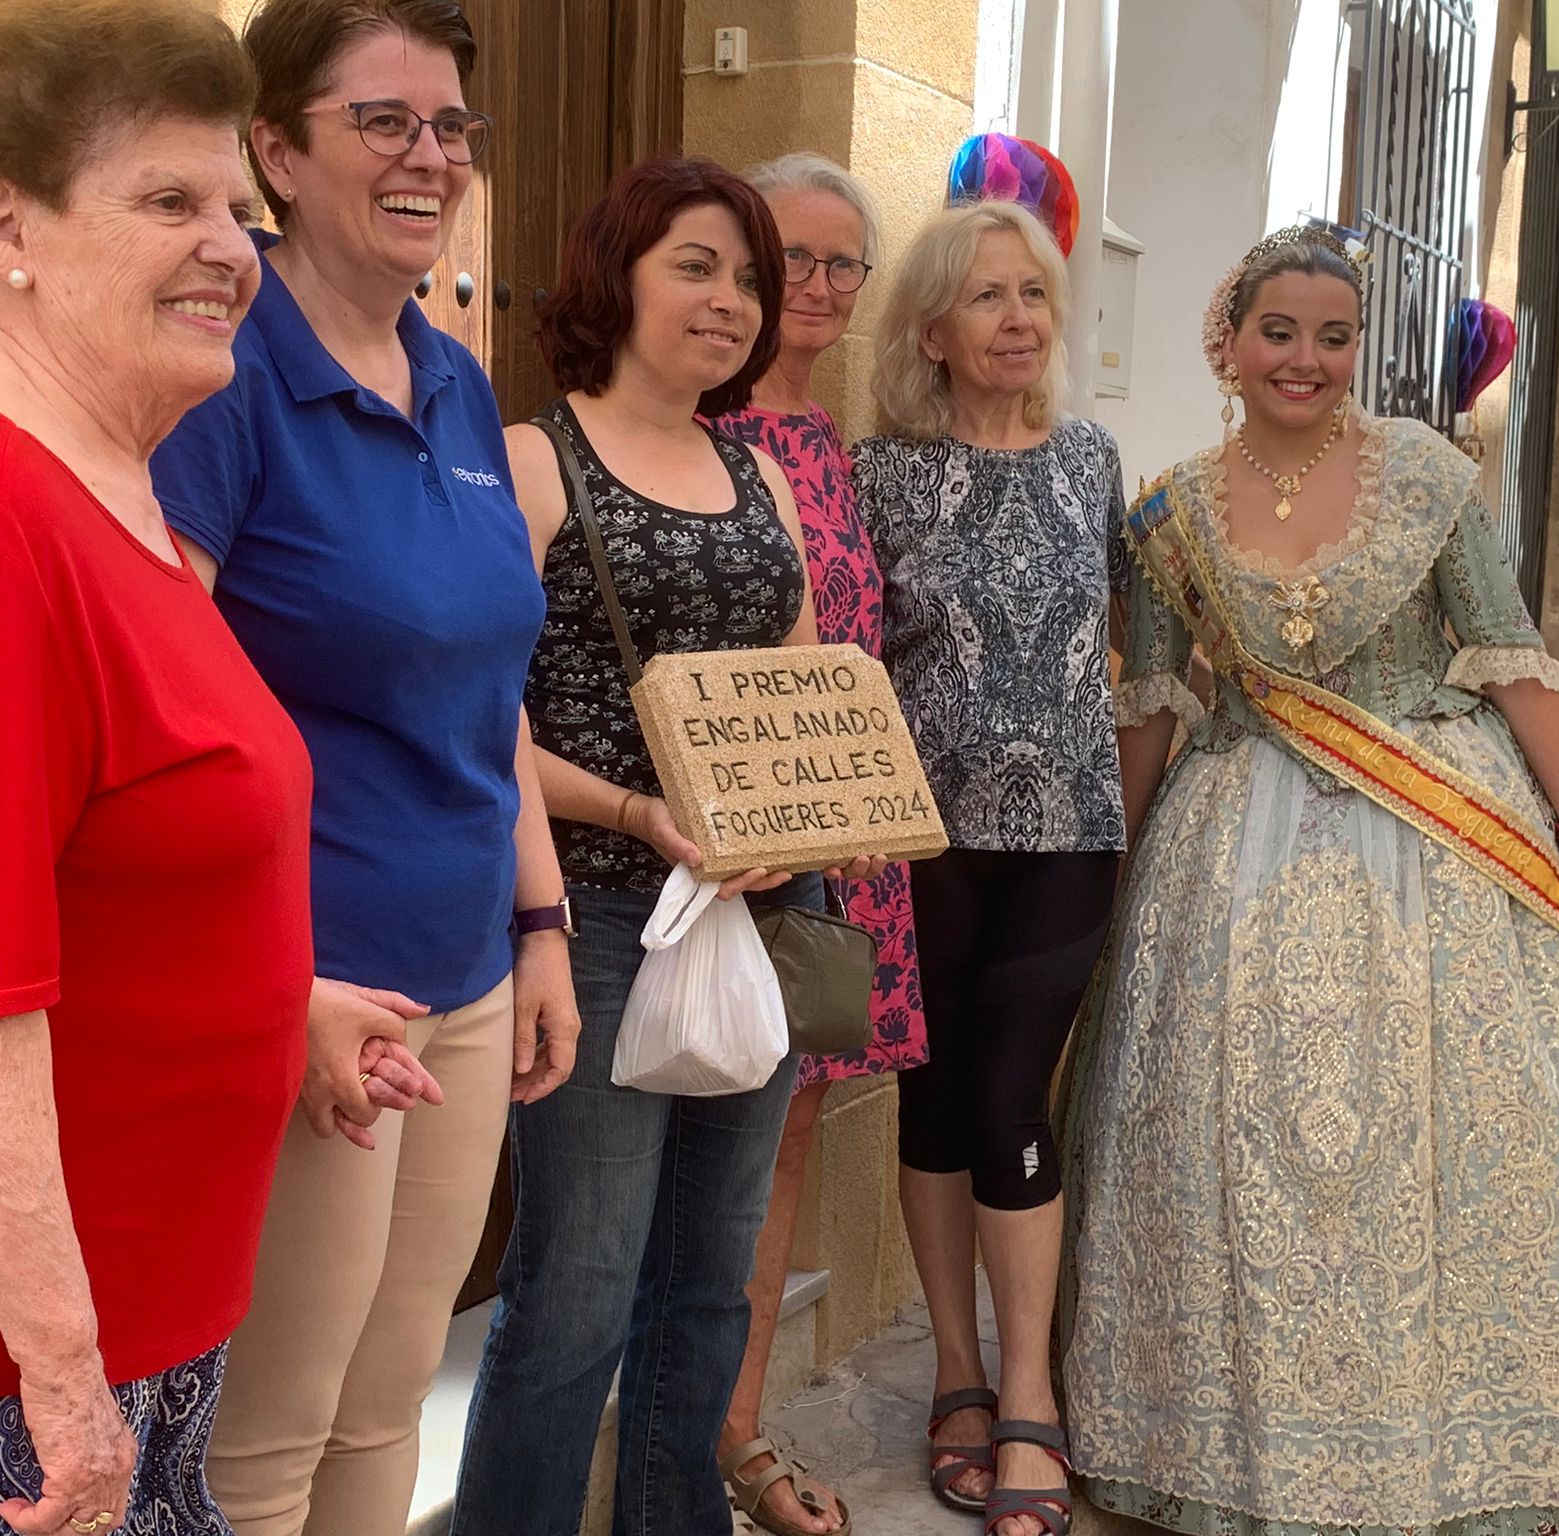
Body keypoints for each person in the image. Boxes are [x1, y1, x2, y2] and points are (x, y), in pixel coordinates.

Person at [1054, 224, 1559, 1536]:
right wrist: (1108, 885)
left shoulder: (1428, 476)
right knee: (1233, 1149)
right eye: (1278, 332)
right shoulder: (1166, 513)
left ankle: (1504, 1449)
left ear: (1358, 346)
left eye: (1333, 336)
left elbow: (1512, 659)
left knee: (1502, 1135)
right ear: (1226, 343)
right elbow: (1155, 711)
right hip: (1232, 850)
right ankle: (1230, 1450)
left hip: (1445, 839)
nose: (1305, 358)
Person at [0, 5, 314, 1534]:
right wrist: (67, 1381)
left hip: (117, 1307)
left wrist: (295, 1005)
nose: (232, 247)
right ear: (6, 223)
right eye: (171, 203)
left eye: (240, 208)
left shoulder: (108, 479)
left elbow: (116, 855)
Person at [146, 3, 581, 1533]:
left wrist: (540, 930)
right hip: (312, 997)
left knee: (392, 1406)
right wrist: (283, 982)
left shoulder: (453, 378)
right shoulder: (224, 373)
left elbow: (491, 694)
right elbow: (164, 710)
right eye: (382, 121)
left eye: (451, 126)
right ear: (275, 148)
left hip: (462, 977)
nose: (430, 157)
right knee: (269, 1439)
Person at [450, 154, 890, 1536]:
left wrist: (783, 828)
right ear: (616, 276)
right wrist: (644, 813)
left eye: (747, 278)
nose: (732, 299)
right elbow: (484, 717)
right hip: (588, 920)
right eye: (696, 266)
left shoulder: (759, 470)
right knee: (574, 1291)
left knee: (710, 1275)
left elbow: (806, 681)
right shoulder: (532, 460)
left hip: (752, 910)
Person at [853, 198, 1127, 1536]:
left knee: (1017, 1098)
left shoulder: (1095, 462)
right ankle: (956, 1373)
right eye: (989, 298)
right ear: (934, 331)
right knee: (938, 1104)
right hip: (924, 838)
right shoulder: (880, 473)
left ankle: (1031, 1396)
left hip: (1068, 832)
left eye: (1034, 295)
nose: (1019, 319)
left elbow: (1124, 648)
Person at [706, 151, 924, 1536]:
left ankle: (736, 1430)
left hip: (839, 841)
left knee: (783, 1134)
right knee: (703, 1138)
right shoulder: (703, 427)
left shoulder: (830, 438)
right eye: (798, 257)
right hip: (722, 841)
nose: (824, 287)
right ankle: (700, 1432)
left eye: (849, 264)